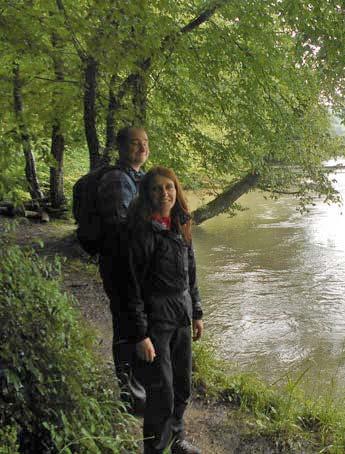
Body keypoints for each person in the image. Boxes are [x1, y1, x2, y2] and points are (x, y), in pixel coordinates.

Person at [125, 167, 204, 454]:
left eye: (169, 187)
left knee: (183, 385)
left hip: (181, 313)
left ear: (176, 190)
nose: (164, 194)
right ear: (146, 193)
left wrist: (197, 312)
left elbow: (191, 272)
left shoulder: (181, 222)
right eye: (157, 188)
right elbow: (130, 287)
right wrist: (140, 334)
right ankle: (155, 449)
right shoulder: (140, 231)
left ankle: (177, 439)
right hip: (155, 319)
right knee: (162, 392)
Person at [97, 126, 149, 413]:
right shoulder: (118, 181)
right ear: (120, 148)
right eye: (134, 143)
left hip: (133, 266)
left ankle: (137, 390)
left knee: (136, 324)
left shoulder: (138, 177)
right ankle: (129, 396)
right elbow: (122, 233)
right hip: (120, 267)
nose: (142, 148)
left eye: (145, 143)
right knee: (127, 326)